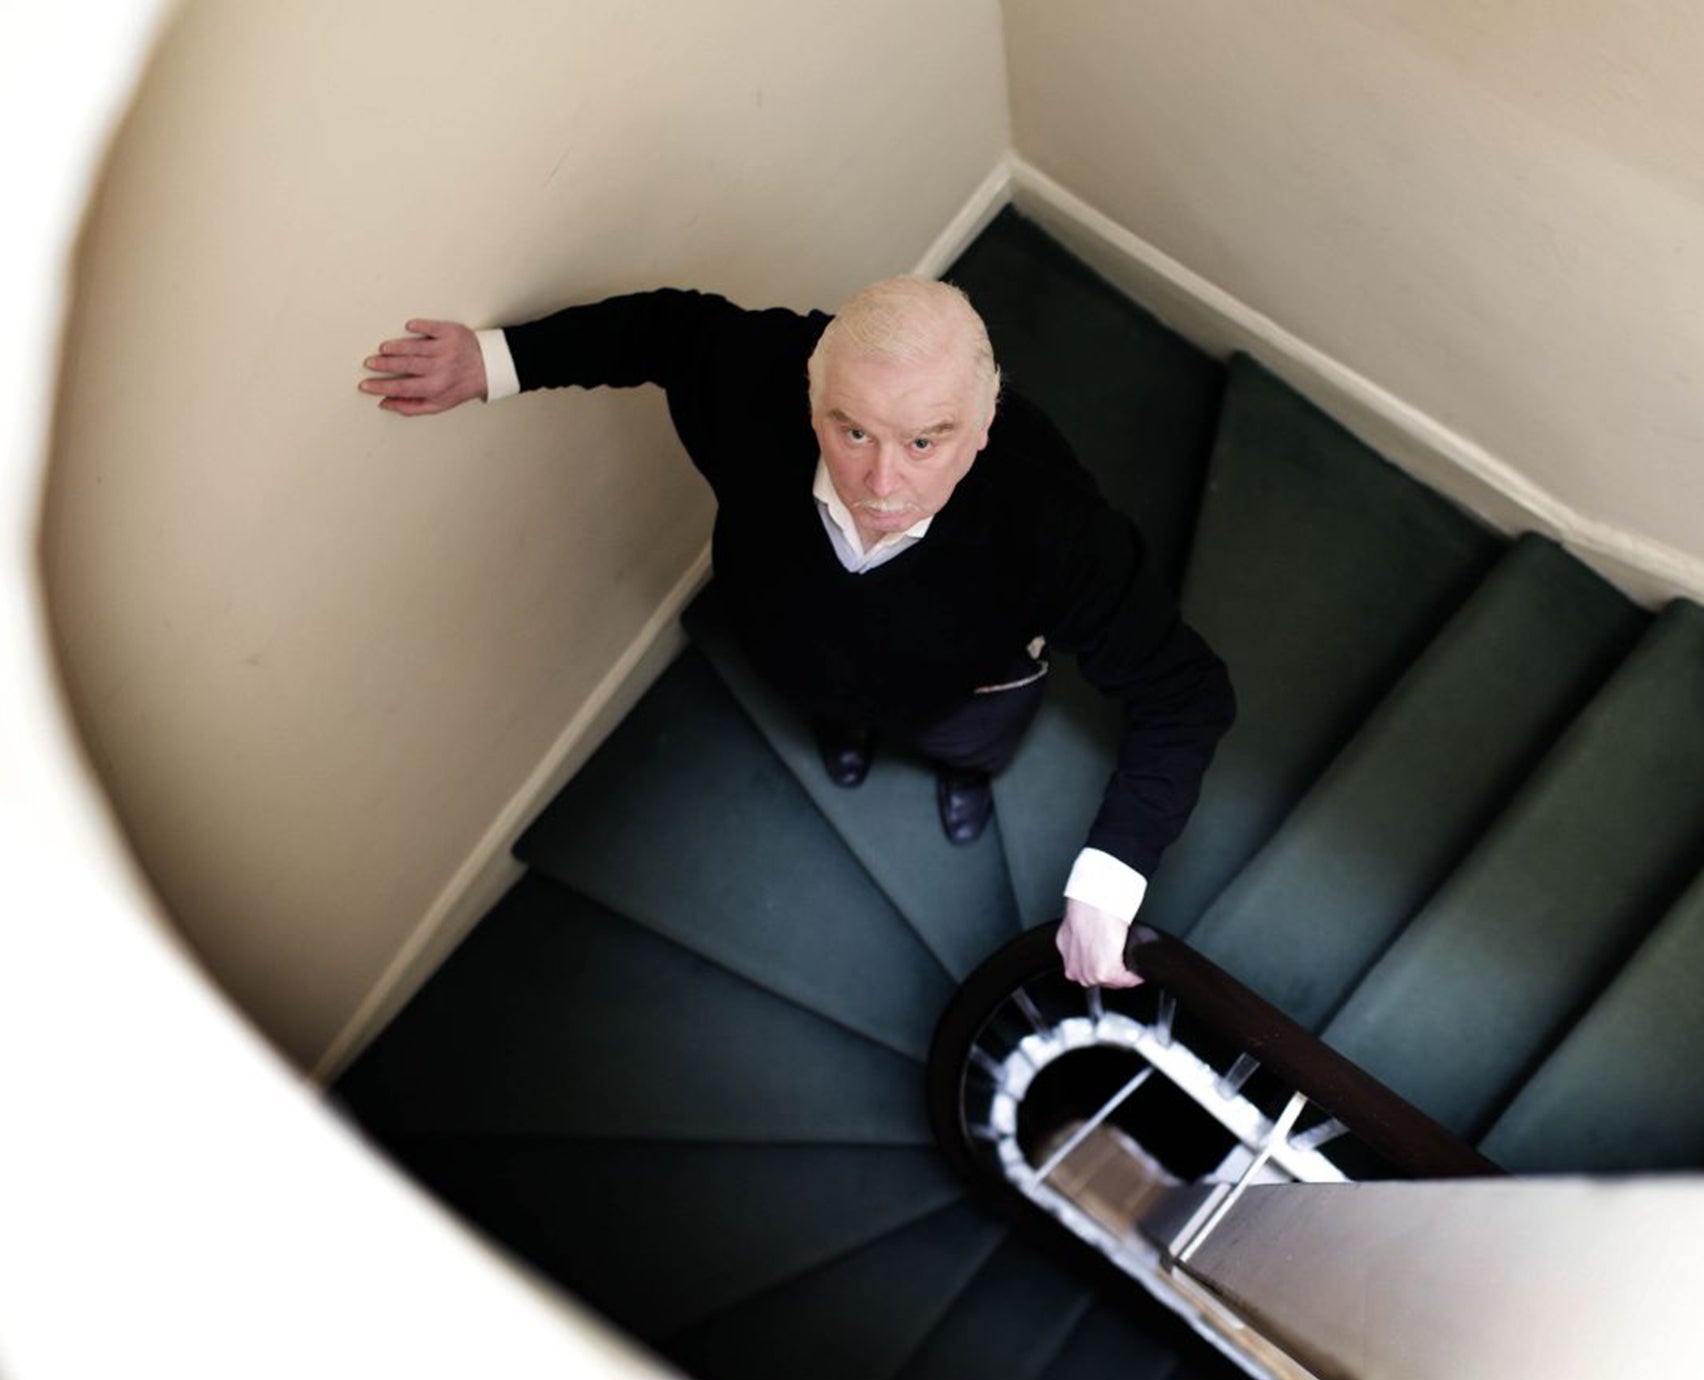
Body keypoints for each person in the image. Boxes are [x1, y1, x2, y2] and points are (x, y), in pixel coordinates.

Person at [360, 278, 1233, 988]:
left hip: (962, 689)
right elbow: (664, 329)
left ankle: (960, 776)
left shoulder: (1059, 529)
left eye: (926, 441)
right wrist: (497, 360)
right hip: (787, 641)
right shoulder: (753, 375)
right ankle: (846, 735)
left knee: (967, 744)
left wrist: (1108, 883)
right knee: (824, 701)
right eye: (851, 430)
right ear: (809, 393)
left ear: (986, 423)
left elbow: (1184, 693)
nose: (881, 482)